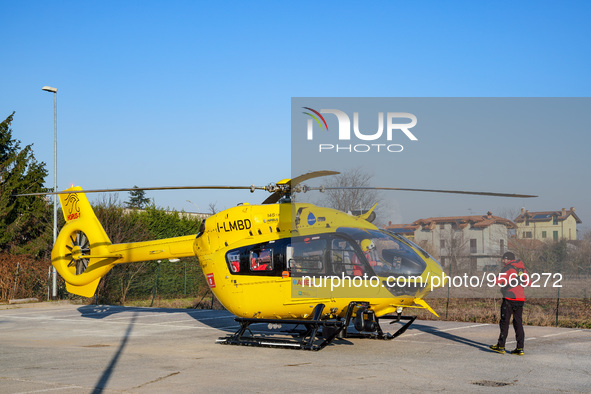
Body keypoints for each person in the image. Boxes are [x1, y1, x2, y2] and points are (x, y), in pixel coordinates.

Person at [490, 251, 530, 356]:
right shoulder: (522, 269)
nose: (503, 261)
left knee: (504, 322)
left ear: (508, 259)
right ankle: (520, 348)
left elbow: (497, 280)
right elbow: (527, 282)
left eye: (504, 259)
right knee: (518, 323)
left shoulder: (508, 268)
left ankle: (501, 346)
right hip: (520, 298)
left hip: (509, 298)